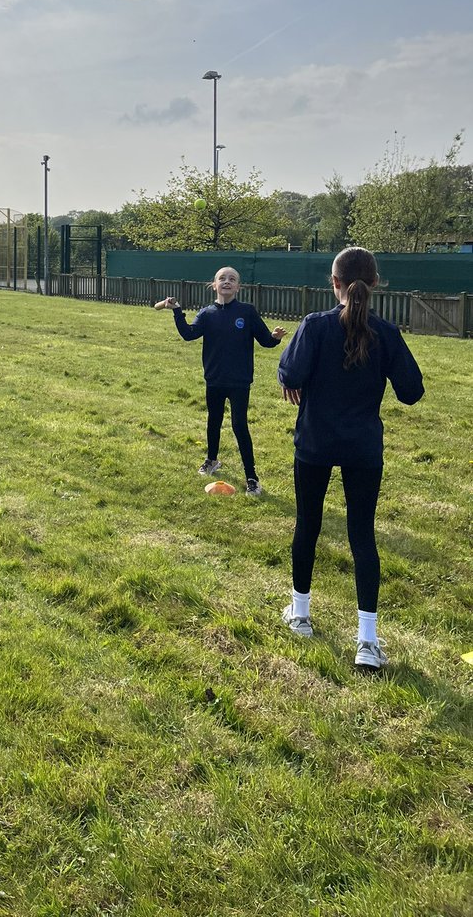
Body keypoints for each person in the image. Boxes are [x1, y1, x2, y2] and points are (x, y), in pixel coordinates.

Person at [278, 247, 424, 670]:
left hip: (315, 443)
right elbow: (412, 392)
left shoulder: (314, 326)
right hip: (363, 447)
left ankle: (301, 614)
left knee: (308, 523)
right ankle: (367, 641)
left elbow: (290, 374)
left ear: (334, 282)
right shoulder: (386, 332)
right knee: (363, 536)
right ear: (375, 284)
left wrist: (293, 379)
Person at [155, 266, 286, 495]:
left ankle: (252, 477)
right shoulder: (206, 314)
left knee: (239, 425)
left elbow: (265, 340)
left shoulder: (247, 312)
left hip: (239, 381)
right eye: (222, 278)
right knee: (213, 420)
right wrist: (177, 311)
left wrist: (275, 338)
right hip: (214, 380)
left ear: (238, 287)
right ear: (214, 285)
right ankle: (212, 460)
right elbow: (189, 334)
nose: (227, 281)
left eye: (232, 279)